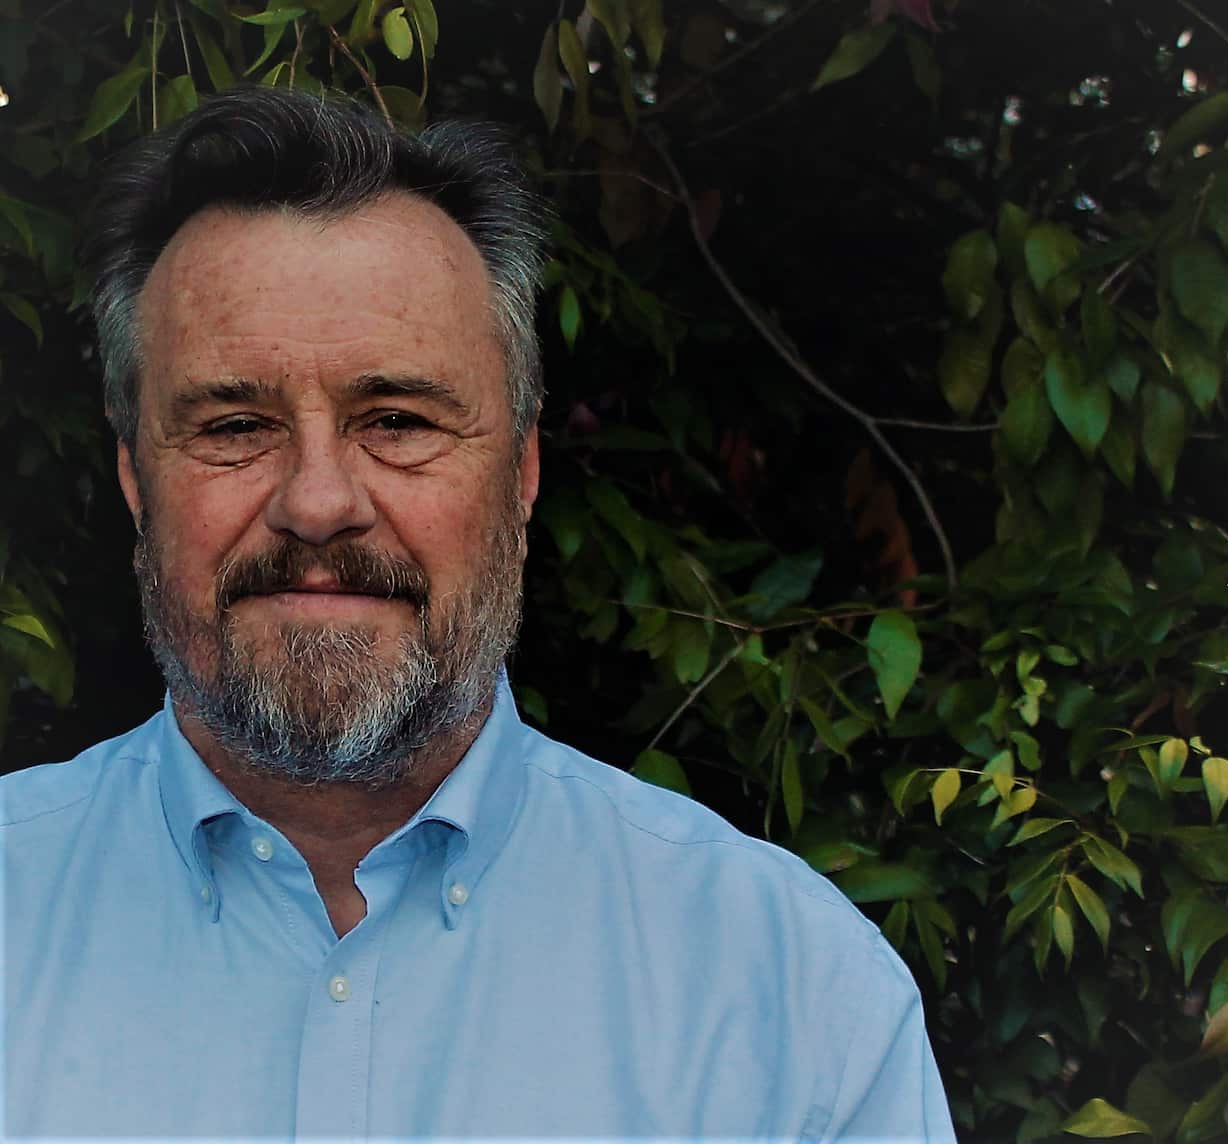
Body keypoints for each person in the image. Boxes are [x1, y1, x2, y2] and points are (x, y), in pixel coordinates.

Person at [0, 87, 954, 1141]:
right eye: (234, 425)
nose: (318, 501)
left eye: (398, 419)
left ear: (523, 471)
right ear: (135, 479)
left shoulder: (790, 996)